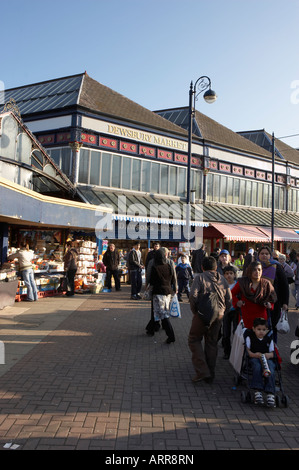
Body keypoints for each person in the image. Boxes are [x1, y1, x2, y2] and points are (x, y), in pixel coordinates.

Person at [188, 256, 232, 383]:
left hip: (202, 314)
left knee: (194, 339)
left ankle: (202, 370)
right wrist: (224, 311)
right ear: (216, 267)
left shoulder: (200, 277)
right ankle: (210, 373)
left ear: (202, 267)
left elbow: (193, 295)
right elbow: (228, 298)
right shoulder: (222, 279)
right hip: (219, 314)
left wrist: (195, 311)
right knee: (212, 342)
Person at [231, 261, 277, 329]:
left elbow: (273, 298)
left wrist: (270, 305)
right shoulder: (243, 282)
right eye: (254, 269)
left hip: (261, 317)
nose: (257, 272)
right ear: (250, 271)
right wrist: (237, 302)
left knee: (259, 337)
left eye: (259, 269)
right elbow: (231, 294)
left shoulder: (266, 283)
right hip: (245, 316)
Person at [257, 246, 289, 338]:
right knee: (259, 326)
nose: (264, 256)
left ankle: (272, 347)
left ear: (270, 256)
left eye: (266, 254)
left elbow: (284, 286)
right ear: (258, 255)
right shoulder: (255, 266)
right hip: (258, 302)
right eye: (262, 253)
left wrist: (285, 303)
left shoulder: (277, 266)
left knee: (272, 326)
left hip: (274, 302)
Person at [244, 317, 276, 407]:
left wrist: (268, 355)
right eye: (259, 329)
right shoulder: (250, 338)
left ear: (267, 330)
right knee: (257, 367)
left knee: (271, 369)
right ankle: (258, 390)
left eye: (264, 330)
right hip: (255, 357)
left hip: (267, 358)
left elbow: (273, 353)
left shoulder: (269, 340)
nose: (261, 332)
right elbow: (248, 352)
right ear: (254, 329)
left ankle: (270, 392)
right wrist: (255, 355)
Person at [149, 248, 176, 343]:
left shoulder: (155, 268)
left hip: (158, 292)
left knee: (162, 314)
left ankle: (171, 335)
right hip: (168, 292)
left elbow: (152, 281)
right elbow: (173, 278)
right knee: (163, 312)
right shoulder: (168, 266)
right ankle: (152, 328)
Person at [222, 265, 238, 359]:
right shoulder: (222, 285)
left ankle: (236, 352)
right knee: (226, 332)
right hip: (226, 311)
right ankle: (227, 352)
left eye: (231, 273)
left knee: (236, 332)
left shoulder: (238, 285)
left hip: (236, 311)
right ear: (224, 275)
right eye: (227, 273)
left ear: (235, 275)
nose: (229, 275)